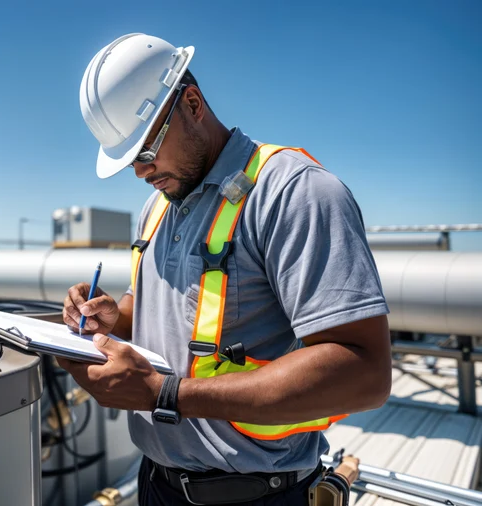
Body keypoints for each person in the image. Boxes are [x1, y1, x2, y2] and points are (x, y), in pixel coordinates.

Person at [59, 33, 392, 506]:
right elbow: (161, 317)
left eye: (146, 152)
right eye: (130, 161)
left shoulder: (294, 193)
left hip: (256, 495)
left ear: (192, 103)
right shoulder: (158, 208)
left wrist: (165, 394)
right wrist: (116, 318)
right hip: (158, 484)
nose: (140, 172)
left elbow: (365, 372)